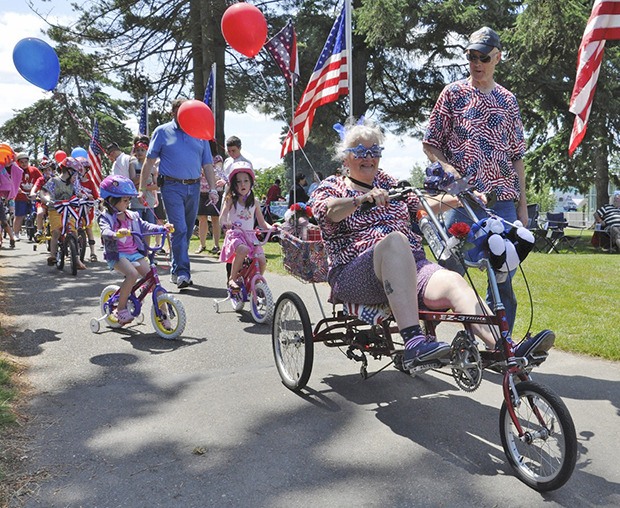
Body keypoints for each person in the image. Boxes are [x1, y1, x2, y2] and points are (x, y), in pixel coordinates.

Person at [310, 119, 546, 369]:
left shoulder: (389, 183)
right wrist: (360, 200)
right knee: (395, 241)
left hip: (411, 267)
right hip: (356, 273)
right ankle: (414, 343)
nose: (368, 157)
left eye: (374, 151)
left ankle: (505, 348)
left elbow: (419, 203)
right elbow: (328, 211)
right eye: (360, 152)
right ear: (345, 158)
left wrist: (459, 198)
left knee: (454, 282)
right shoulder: (332, 186)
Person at [422, 26, 527, 332]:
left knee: (503, 275)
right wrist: (447, 169)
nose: (477, 63)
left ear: (498, 58)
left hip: (503, 201)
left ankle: (501, 343)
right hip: (460, 197)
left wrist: (521, 207)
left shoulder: (508, 100)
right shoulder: (453, 94)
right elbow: (430, 143)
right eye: (471, 56)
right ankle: (431, 334)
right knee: (449, 269)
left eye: (484, 57)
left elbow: (517, 157)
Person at [139, 98, 217, 289]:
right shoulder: (162, 131)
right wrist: (142, 188)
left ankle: (176, 268)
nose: (181, 114)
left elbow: (207, 163)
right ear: (173, 113)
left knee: (187, 231)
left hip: (194, 187)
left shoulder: (200, 133)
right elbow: (149, 161)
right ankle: (183, 272)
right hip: (171, 187)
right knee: (180, 229)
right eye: (178, 111)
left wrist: (213, 188)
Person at [98, 175, 174, 325]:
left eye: (128, 200)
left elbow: (145, 226)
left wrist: (161, 228)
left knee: (152, 279)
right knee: (132, 274)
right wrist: (115, 234)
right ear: (112, 200)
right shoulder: (105, 217)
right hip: (118, 255)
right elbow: (104, 231)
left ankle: (164, 314)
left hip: (134, 254)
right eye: (125, 200)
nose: (128, 203)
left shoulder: (132, 216)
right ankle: (120, 310)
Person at [219, 161, 272, 291]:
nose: (243, 184)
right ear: (233, 184)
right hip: (235, 235)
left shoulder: (255, 202)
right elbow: (223, 215)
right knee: (242, 250)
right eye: (238, 182)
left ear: (251, 183)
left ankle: (256, 281)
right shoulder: (231, 199)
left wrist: (273, 227)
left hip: (250, 236)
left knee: (262, 260)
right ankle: (232, 278)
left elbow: (262, 223)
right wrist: (225, 223)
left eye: (246, 181)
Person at [39, 156, 86, 269]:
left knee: (74, 231)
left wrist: (84, 197)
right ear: (69, 171)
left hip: (69, 209)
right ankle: (53, 255)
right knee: (56, 231)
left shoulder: (73, 184)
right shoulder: (54, 181)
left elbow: (78, 193)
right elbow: (43, 192)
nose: (76, 178)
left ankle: (77, 259)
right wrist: (47, 199)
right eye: (75, 174)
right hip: (55, 209)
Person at [196, 154, 225, 254]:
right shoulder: (199, 155)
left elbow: (218, 174)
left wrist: (207, 172)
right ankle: (202, 244)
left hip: (215, 191)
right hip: (201, 191)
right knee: (202, 219)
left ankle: (216, 245)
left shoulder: (217, 158)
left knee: (215, 218)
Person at [75, 156, 100, 262]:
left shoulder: (90, 182)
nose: (79, 171)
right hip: (76, 210)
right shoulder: (74, 182)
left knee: (89, 229)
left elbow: (96, 195)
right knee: (74, 228)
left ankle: (93, 252)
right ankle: (74, 250)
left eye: (82, 168)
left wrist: (98, 199)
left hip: (88, 210)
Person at [13, 152, 42, 241]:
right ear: (18, 162)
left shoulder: (34, 170)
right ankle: (16, 233)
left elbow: (41, 180)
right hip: (21, 197)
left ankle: (39, 232)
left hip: (34, 196)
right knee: (19, 215)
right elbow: (11, 181)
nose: (24, 164)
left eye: (26, 161)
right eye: (22, 162)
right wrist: (16, 189)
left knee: (38, 213)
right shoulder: (16, 171)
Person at [0, 144, 22, 248]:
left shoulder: (9, 168)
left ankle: (12, 238)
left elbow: (16, 174)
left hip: (4, 197)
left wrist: (12, 160)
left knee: (4, 222)